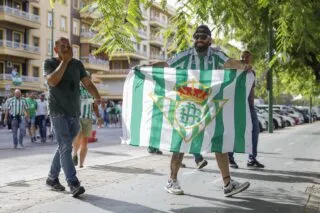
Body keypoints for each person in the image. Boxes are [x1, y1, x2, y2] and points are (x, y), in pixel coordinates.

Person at [163, 25, 250, 196]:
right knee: (180, 143)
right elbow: (166, 64)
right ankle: (171, 180)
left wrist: (243, 66)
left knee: (219, 141)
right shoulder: (185, 55)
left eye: (203, 37)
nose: (199, 40)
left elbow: (230, 63)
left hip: (209, 105)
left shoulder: (216, 55)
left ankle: (228, 184)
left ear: (210, 40)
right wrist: (145, 67)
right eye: (196, 37)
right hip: (189, 104)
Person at [43, 37, 101, 197]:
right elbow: (52, 81)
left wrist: (98, 97)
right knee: (66, 146)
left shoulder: (77, 64)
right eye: (62, 47)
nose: (66, 49)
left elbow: (87, 83)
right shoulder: (49, 63)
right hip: (57, 111)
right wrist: (65, 62)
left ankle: (51, 178)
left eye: (67, 46)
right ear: (56, 50)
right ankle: (73, 183)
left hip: (74, 112)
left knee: (64, 146)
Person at [228, 51, 265, 169]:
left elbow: (251, 91)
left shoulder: (252, 73)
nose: (244, 59)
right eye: (242, 57)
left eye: (246, 57)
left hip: (249, 106)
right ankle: (230, 158)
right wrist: (241, 67)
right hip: (236, 105)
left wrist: (252, 105)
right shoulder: (235, 70)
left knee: (255, 129)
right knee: (235, 131)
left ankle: (252, 159)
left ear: (251, 59)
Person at [72, 76, 102, 168]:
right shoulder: (76, 89)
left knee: (85, 142)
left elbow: (95, 106)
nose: (86, 81)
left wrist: (98, 117)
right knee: (78, 134)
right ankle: (74, 153)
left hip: (88, 118)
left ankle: (81, 164)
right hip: (77, 117)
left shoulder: (92, 91)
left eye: (88, 79)